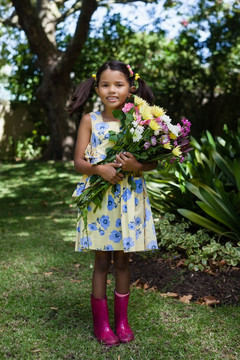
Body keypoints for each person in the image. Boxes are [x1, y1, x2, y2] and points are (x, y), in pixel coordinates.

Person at [69, 60, 158, 346]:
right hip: (100, 200)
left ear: (131, 88)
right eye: (105, 85)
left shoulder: (142, 121)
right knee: (101, 260)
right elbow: (78, 162)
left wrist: (136, 165)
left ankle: (122, 321)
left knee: (122, 259)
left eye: (119, 84)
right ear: (96, 88)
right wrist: (99, 169)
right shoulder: (90, 121)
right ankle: (102, 325)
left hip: (129, 200)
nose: (112, 90)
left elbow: (153, 163)